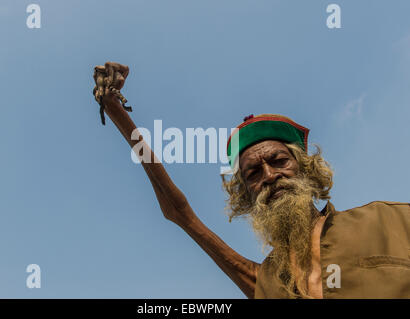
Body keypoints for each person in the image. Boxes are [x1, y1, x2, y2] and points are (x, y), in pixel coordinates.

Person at [92, 61, 410, 299]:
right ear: (246, 196)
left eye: (279, 161)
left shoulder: (391, 220)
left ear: (306, 169)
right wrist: (117, 111)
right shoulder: (267, 281)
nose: (270, 177)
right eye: (253, 174)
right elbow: (181, 213)